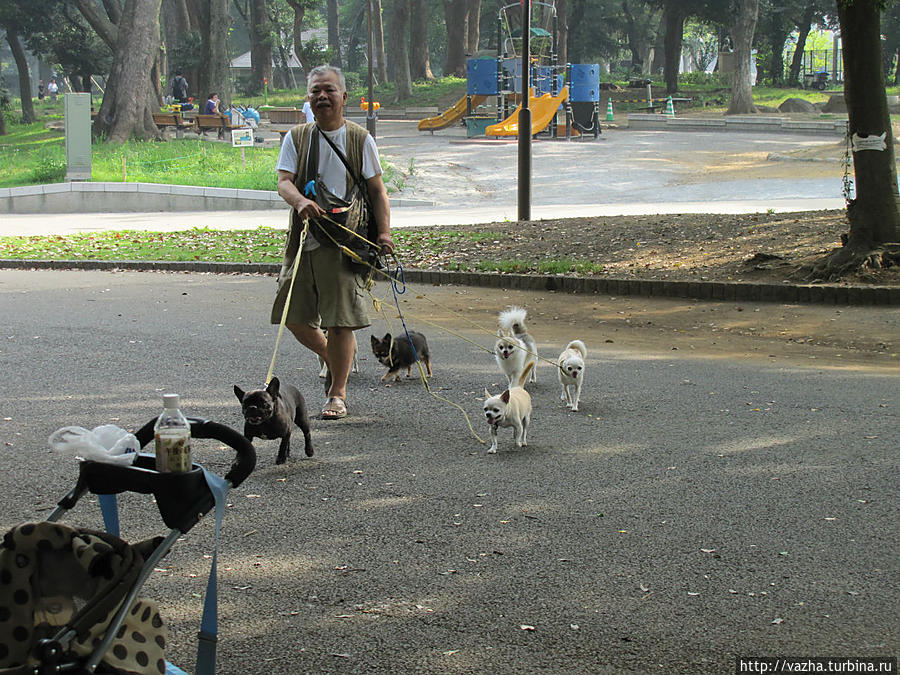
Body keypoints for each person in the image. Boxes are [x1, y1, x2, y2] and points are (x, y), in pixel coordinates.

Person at [273, 65, 393, 420]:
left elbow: (377, 191)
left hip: (347, 245)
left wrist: (384, 233)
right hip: (307, 240)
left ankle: (337, 394)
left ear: (344, 97)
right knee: (292, 318)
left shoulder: (360, 139)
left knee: (341, 322)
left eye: (328, 90)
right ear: (308, 99)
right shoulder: (296, 138)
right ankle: (334, 356)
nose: (321, 97)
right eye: (315, 92)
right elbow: (283, 182)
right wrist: (299, 201)